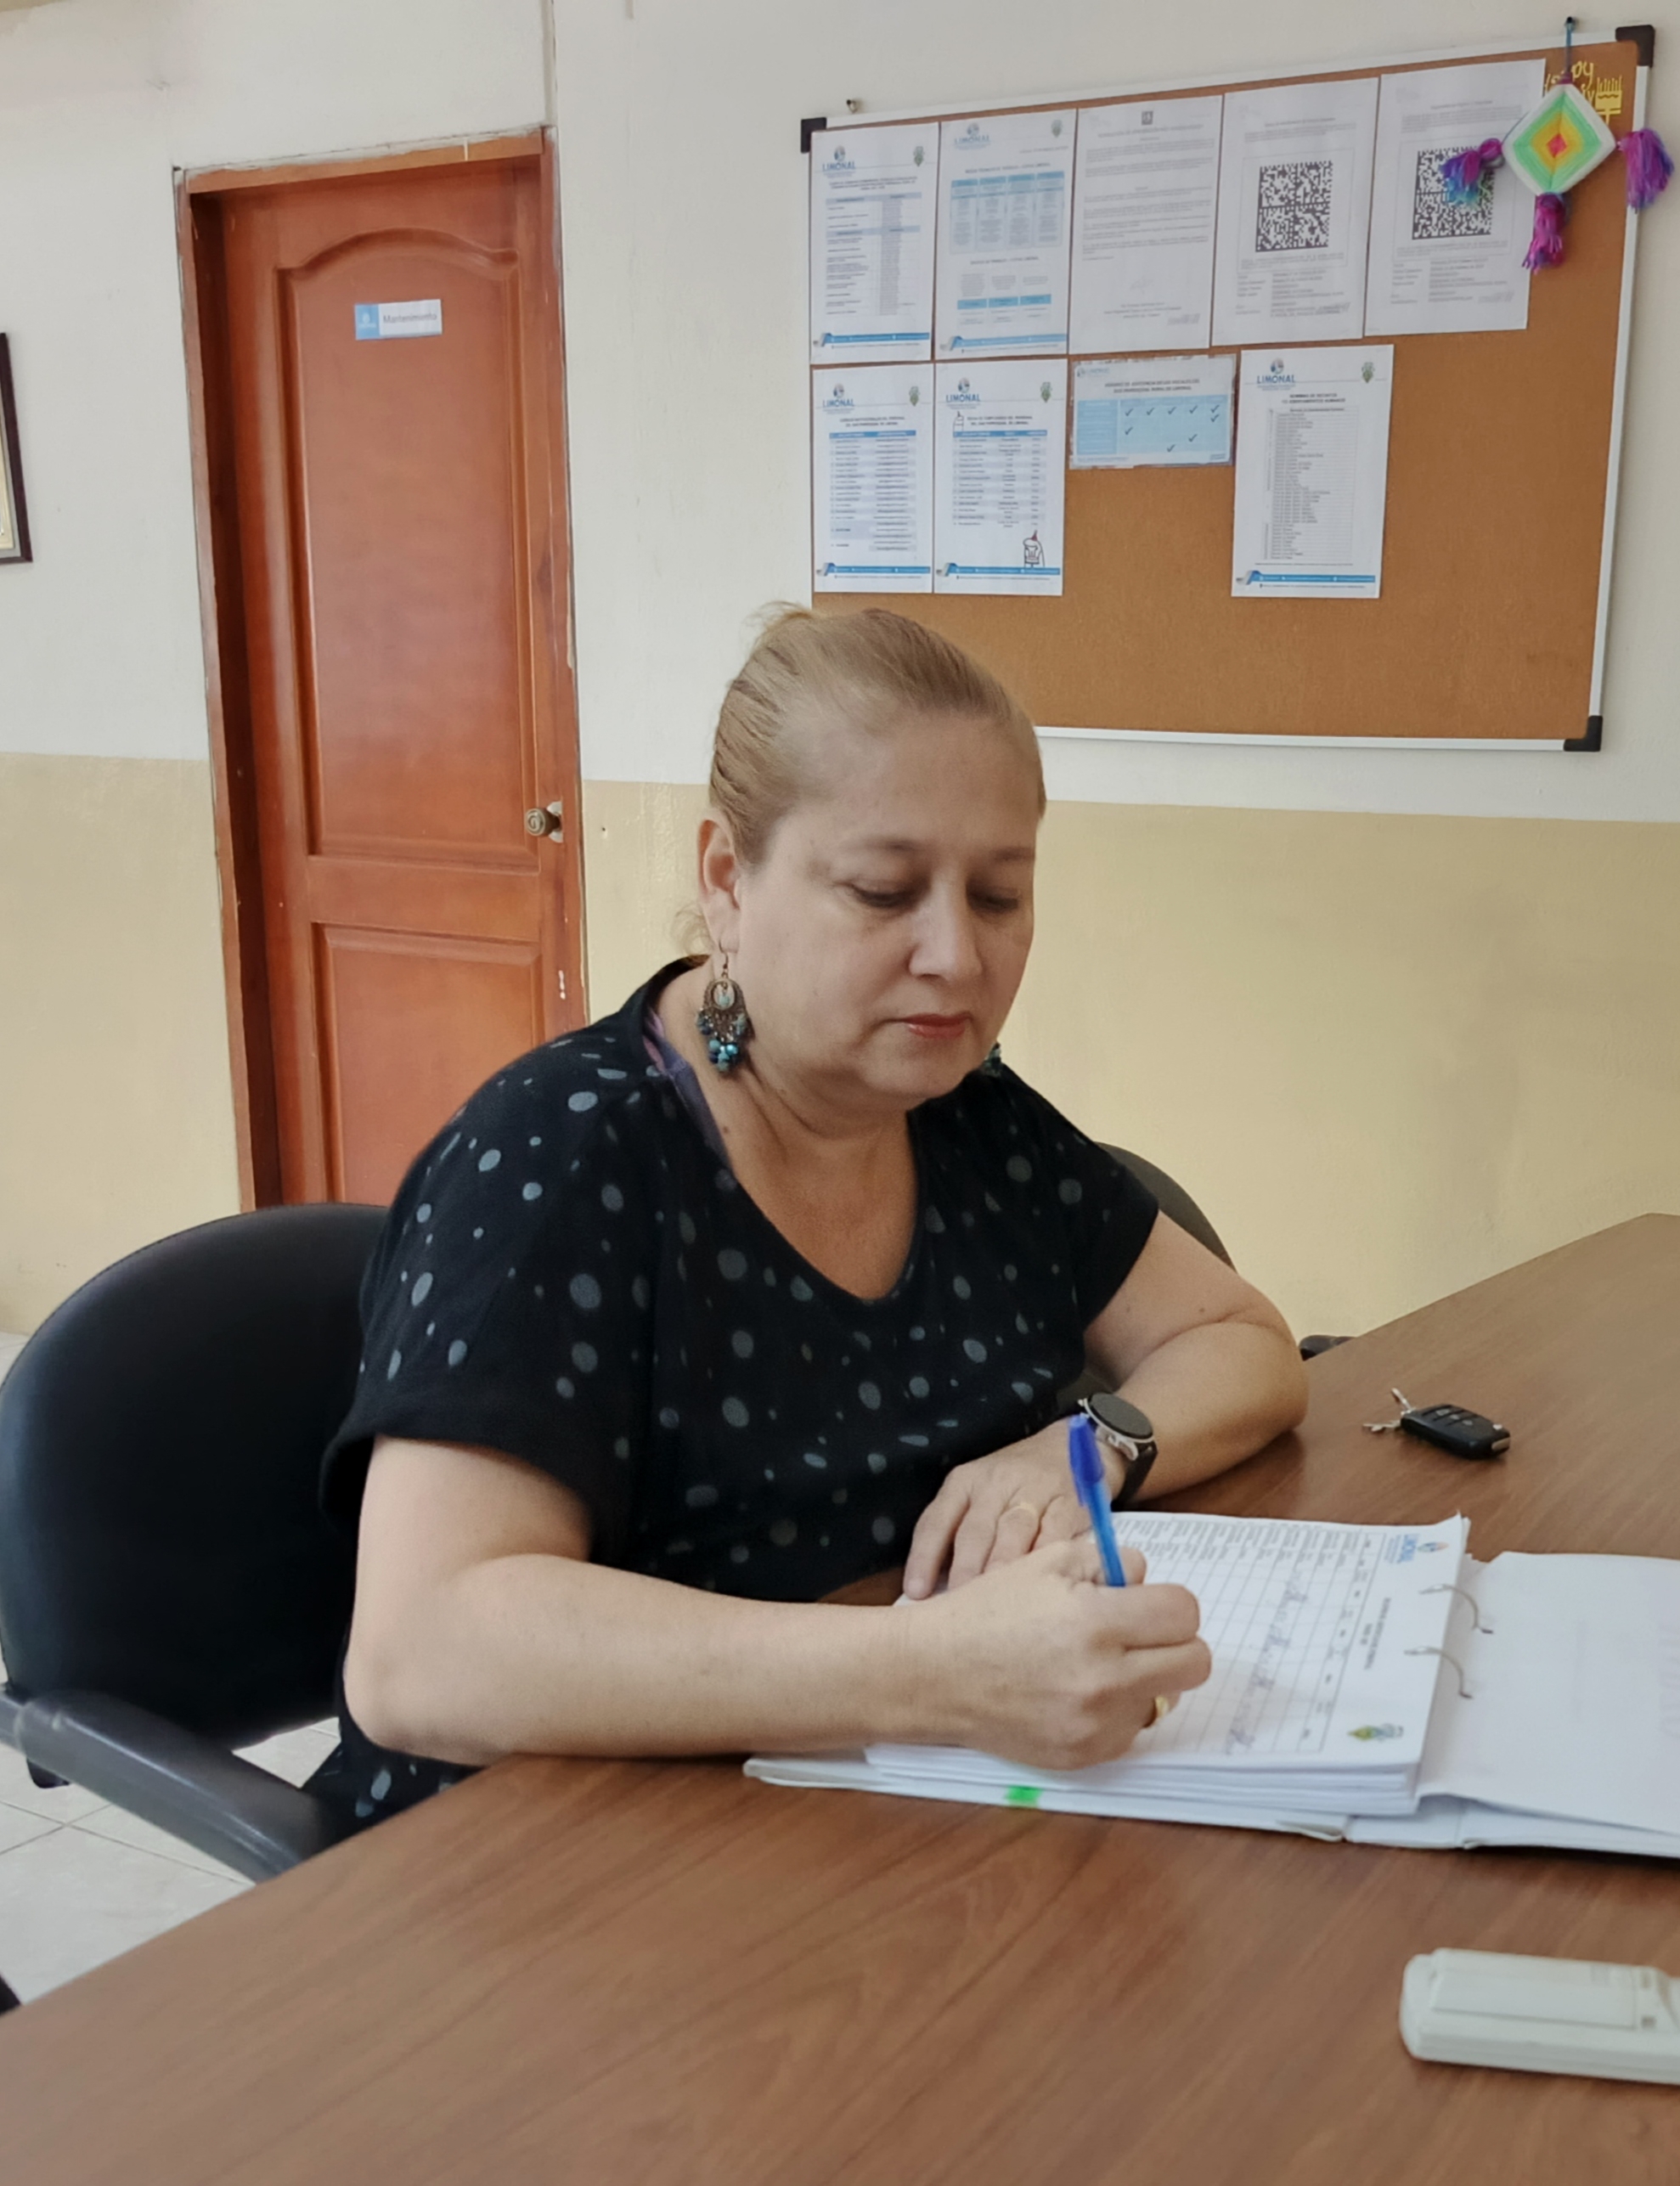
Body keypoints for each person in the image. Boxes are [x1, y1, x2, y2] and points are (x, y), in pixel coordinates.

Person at [322, 608, 1309, 1825]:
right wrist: (935, 1675)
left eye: (998, 896)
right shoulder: (565, 1153)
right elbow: (421, 1653)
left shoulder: (968, 1114)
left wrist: (1080, 1448)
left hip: (864, 1810)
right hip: (546, 1856)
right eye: (883, 891)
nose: (956, 956)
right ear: (726, 880)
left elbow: (1241, 1342)